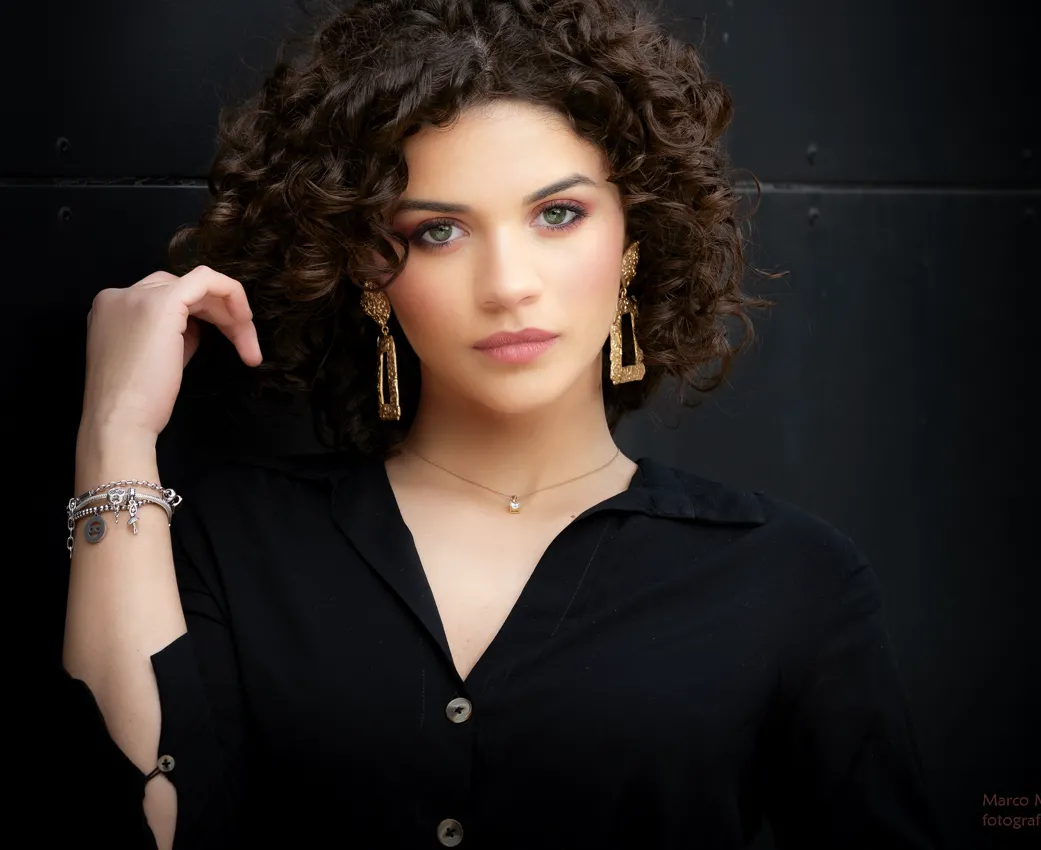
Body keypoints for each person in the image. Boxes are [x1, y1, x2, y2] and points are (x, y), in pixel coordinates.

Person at [60, 1, 943, 848]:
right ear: (370, 267)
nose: (509, 283)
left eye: (558, 214)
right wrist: (113, 437)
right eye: (440, 231)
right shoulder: (232, 539)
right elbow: (143, 824)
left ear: (632, 238)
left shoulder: (790, 579)